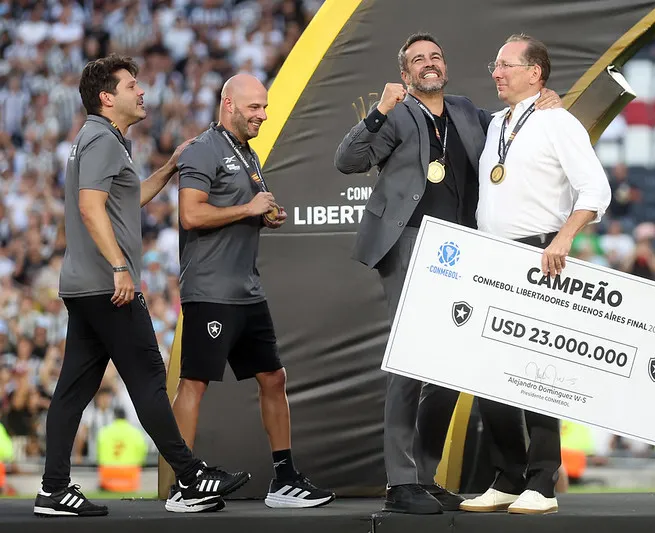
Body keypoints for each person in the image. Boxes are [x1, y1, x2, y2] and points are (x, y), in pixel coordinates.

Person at [334, 32, 562, 514]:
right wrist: (377, 109)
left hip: (464, 250)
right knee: (410, 361)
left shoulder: (466, 111)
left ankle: (423, 473)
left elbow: (511, 135)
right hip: (411, 243)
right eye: (418, 59)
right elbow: (347, 161)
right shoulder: (396, 113)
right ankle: (400, 483)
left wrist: (547, 101)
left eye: (435, 55)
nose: (429, 63)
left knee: (451, 368)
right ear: (405, 74)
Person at [35, 54, 250, 518]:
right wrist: (119, 267)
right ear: (107, 98)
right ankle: (192, 478)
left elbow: (125, 202)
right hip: (106, 286)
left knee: (73, 389)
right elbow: (92, 208)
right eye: (132, 85)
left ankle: (53, 489)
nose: (142, 91)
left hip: (85, 286)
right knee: (150, 379)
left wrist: (172, 166)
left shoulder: (102, 139)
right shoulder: (102, 140)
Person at [459, 34, 610, 515]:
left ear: (535, 74)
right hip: (491, 256)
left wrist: (563, 238)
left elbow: (596, 189)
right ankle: (506, 476)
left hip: (538, 253)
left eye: (505, 65)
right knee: (488, 372)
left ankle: (543, 482)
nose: (496, 73)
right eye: (495, 64)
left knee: (537, 372)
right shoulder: (498, 122)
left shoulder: (558, 121)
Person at [171, 73, 335, 509]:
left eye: (264, 107)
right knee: (194, 383)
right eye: (254, 108)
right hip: (210, 289)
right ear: (228, 104)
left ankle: (283, 479)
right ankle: (183, 485)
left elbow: (241, 207)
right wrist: (248, 208)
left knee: (274, 378)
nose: (262, 114)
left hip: (246, 288)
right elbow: (190, 214)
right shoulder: (202, 150)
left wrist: (264, 214)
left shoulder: (246, 153)